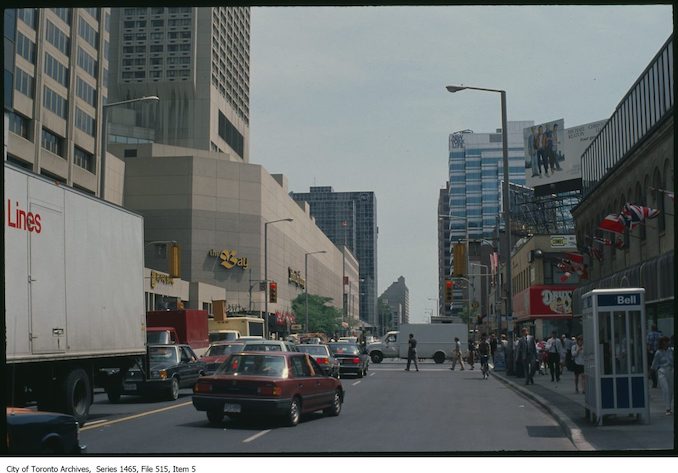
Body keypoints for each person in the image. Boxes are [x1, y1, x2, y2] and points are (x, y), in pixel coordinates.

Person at [650, 336, 673, 415]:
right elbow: (654, 364)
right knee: (665, 389)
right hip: (662, 371)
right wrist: (651, 372)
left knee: (670, 391)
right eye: (664, 342)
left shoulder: (671, 351)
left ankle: (669, 406)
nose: (666, 343)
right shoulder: (658, 353)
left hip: (671, 371)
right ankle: (667, 408)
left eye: (667, 341)